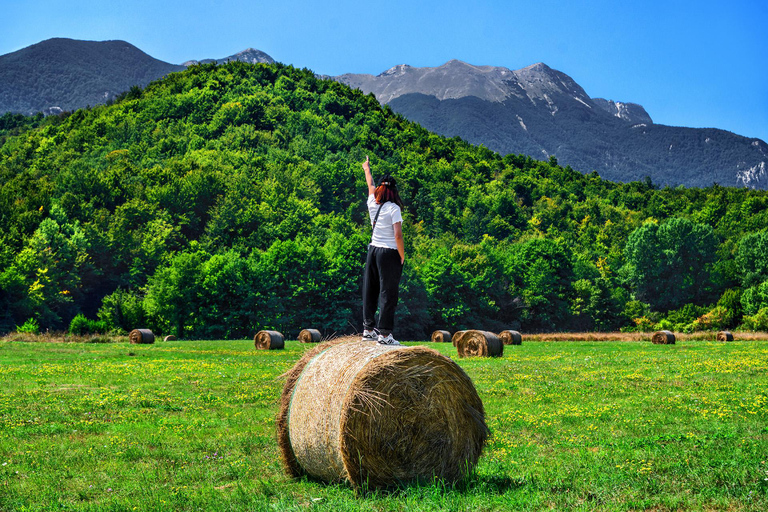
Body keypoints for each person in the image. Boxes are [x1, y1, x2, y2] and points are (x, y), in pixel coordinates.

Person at [361, 155, 405, 345]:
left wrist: (366, 169)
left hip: (373, 250)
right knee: (388, 293)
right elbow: (398, 235)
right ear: (394, 190)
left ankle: (368, 329)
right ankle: (385, 334)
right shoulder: (394, 208)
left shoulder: (372, 203)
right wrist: (402, 256)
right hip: (389, 253)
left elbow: (370, 185)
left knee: (370, 289)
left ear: (380, 189)